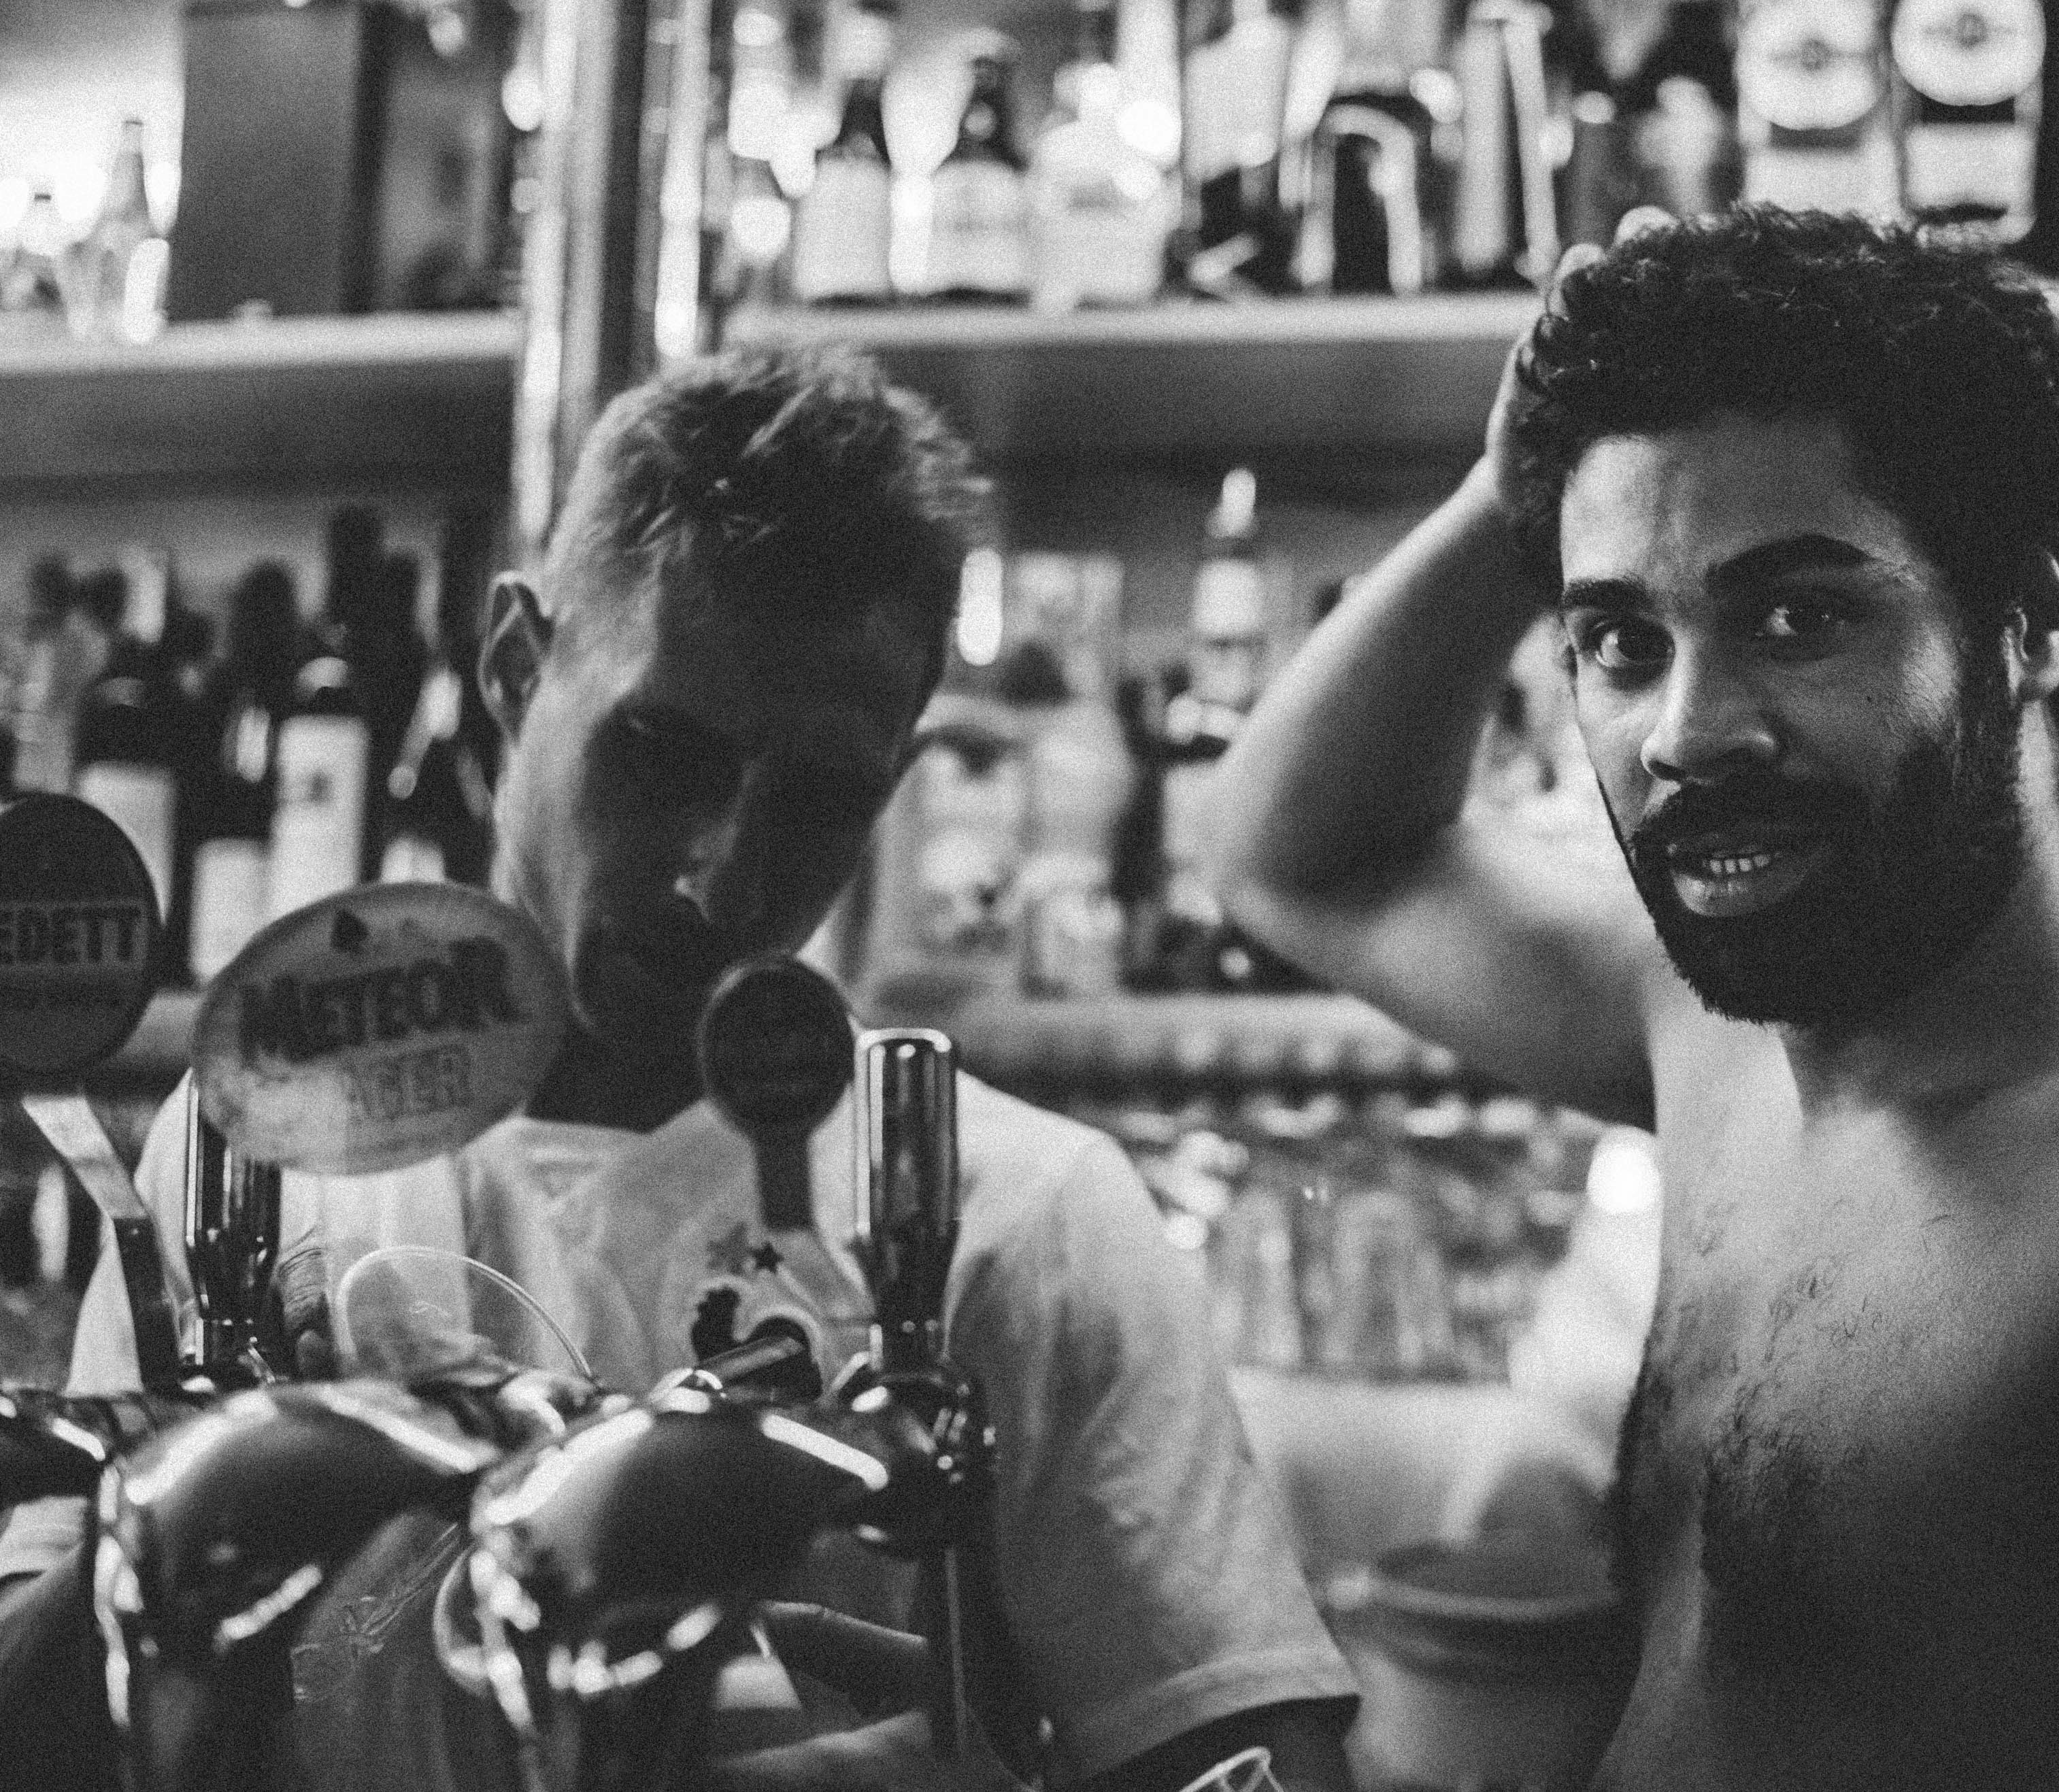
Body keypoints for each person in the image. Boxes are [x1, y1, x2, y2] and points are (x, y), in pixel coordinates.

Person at [1205, 205, 2059, 1791]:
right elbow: (1294, 856)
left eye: (1798, 615)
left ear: (2029, 620)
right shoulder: (1723, 1038)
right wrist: (1520, 490)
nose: (1690, 732)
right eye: (1622, 638)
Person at [0, 347, 1357, 1792]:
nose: (723, 878)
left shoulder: (1028, 1215)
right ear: (520, 669)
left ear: (896, 781)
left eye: (821, 799)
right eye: (659, 752)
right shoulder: (253, 1153)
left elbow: (1243, 1755)